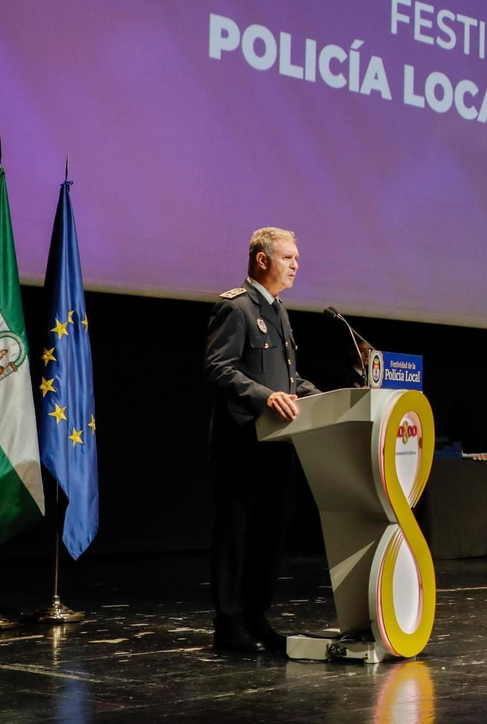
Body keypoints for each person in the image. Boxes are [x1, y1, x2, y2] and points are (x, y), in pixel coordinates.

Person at [204, 227, 321, 654]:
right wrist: (264, 396)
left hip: (279, 442)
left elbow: (287, 377)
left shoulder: (280, 311)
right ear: (262, 259)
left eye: (296, 258)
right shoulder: (236, 307)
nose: (295, 265)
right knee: (235, 534)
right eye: (288, 257)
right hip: (243, 440)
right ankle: (227, 622)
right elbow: (218, 367)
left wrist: (319, 396)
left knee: (270, 534)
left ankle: (256, 616)